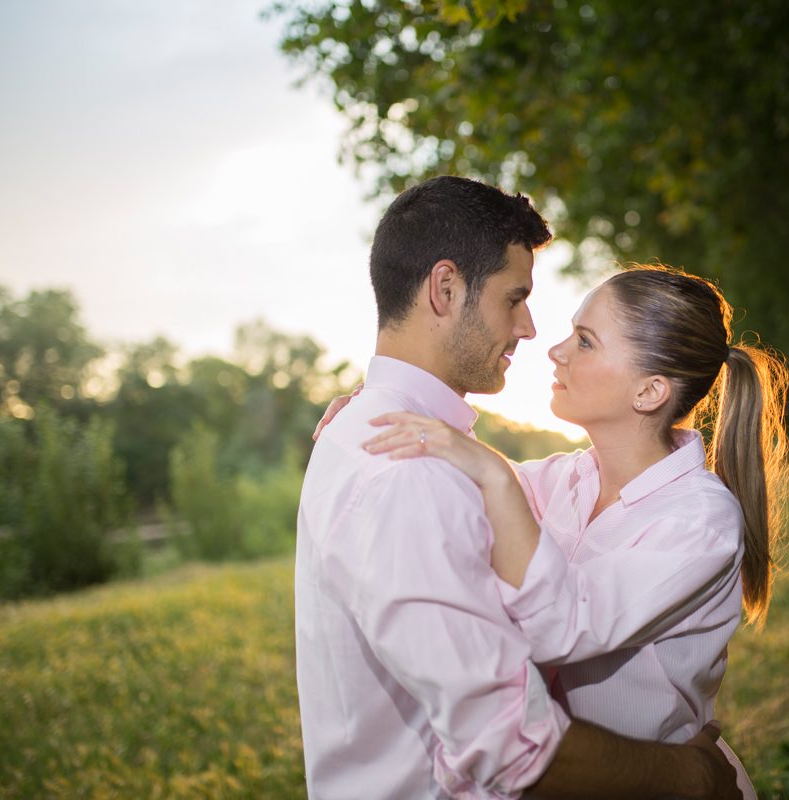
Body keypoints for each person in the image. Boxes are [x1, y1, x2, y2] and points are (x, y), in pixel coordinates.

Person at [295, 175, 741, 800]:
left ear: (650, 391)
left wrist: (407, 417)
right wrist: (690, 779)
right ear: (445, 289)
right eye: (515, 298)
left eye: (584, 341)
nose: (538, 336)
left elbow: (557, 611)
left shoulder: (696, 519)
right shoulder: (410, 465)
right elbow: (515, 747)